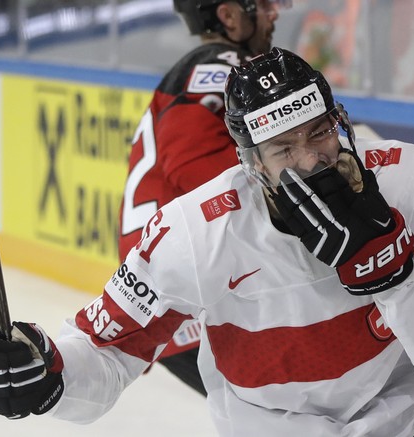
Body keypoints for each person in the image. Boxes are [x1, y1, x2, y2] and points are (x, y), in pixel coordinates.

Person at [0, 48, 414, 436]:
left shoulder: (407, 179)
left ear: (340, 120)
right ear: (250, 164)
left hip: (407, 409)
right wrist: (46, 373)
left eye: (320, 131)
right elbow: (106, 345)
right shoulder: (197, 233)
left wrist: (397, 275)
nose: (312, 159)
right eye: (283, 147)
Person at [118, 0, 290, 396]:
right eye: (263, 5)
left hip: (175, 295)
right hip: (193, 293)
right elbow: (189, 162)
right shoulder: (222, 64)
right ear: (229, 15)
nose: (274, 14)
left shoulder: (205, 67)